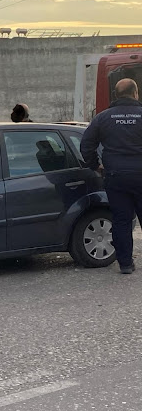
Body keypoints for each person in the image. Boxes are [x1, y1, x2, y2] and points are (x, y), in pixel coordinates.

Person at [80, 78, 142, 274]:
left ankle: (125, 264)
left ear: (115, 95)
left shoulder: (103, 118)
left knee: (121, 220)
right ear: (135, 93)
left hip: (115, 176)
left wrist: (95, 165)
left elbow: (86, 145)